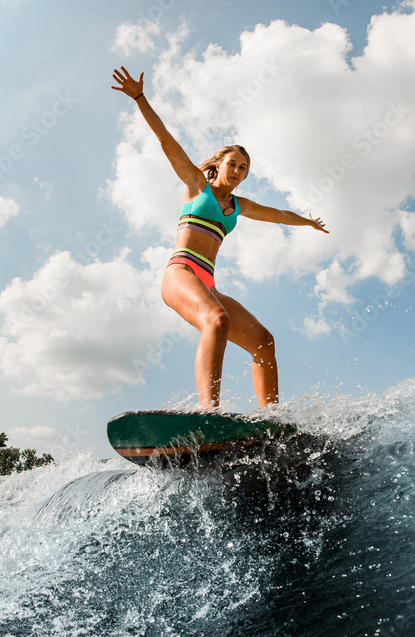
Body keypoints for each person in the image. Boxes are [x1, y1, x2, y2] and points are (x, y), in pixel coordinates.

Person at [112, 66, 329, 409]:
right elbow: (167, 140)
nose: (239, 171)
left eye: (244, 168)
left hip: (208, 283)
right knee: (217, 319)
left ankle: (271, 420)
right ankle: (208, 412)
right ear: (218, 164)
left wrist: (308, 222)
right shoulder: (197, 186)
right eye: (233, 164)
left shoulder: (238, 206)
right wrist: (140, 98)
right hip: (180, 274)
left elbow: (280, 215)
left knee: (263, 340)